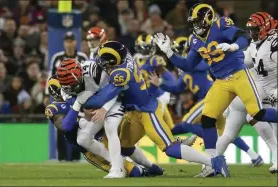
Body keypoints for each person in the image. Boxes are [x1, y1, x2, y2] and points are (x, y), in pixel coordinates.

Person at [153, 4, 278, 172]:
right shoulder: (196, 40)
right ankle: (213, 162)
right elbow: (188, 65)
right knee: (208, 118)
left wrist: (233, 46)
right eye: (193, 22)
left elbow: (242, 36)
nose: (195, 25)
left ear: (207, 19)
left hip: (239, 74)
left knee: (257, 113)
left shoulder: (220, 25)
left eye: (198, 21)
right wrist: (169, 53)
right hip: (221, 82)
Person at [77, 41, 230, 177]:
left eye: (104, 60)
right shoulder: (125, 57)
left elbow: (103, 97)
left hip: (147, 111)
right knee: (124, 147)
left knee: (170, 149)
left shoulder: (121, 73)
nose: (100, 62)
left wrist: (79, 100)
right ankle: (153, 169)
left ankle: (214, 162)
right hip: (134, 111)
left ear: (112, 61)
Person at [150, 36, 264, 177]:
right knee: (225, 133)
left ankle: (207, 149)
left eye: (180, 49)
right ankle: (253, 155)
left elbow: (204, 65)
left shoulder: (197, 61)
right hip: (213, 100)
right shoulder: (187, 69)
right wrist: (160, 83)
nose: (180, 52)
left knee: (187, 121)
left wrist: (185, 66)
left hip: (212, 96)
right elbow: (177, 88)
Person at [45, 77, 146, 178]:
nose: (70, 87)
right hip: (89, 149)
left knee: (126, 146)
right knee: (134, 171)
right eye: (65, 86)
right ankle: (139, 168)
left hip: (101, 132)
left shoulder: (79, 94)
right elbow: (64, 127)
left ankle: (151, 167)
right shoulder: (54, 107)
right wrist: (79, 111)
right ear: (57, 91)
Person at [215, 12, 278, 174]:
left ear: (265, 28)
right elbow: (246, 61)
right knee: (249, 116)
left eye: (255, 29)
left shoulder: (274, 43)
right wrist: (227, 54)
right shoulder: (255, 44)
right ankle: (211, 162)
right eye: (250, 29)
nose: (252, 33)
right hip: (262, 87)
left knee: (254, 116)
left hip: (274, 87)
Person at [47, 31, 88, 162]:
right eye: (67, 41)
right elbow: (51, 77)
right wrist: (47, 94)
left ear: (76, 42)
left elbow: (87, 78)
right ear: (64, 43)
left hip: (77, 97)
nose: (69, 43)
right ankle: (61, 158)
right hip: (61, 97)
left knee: (76, 125)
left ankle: (75, 158)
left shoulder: (82, 57)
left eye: (71, 40)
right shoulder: (57, 58)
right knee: (60, 126)